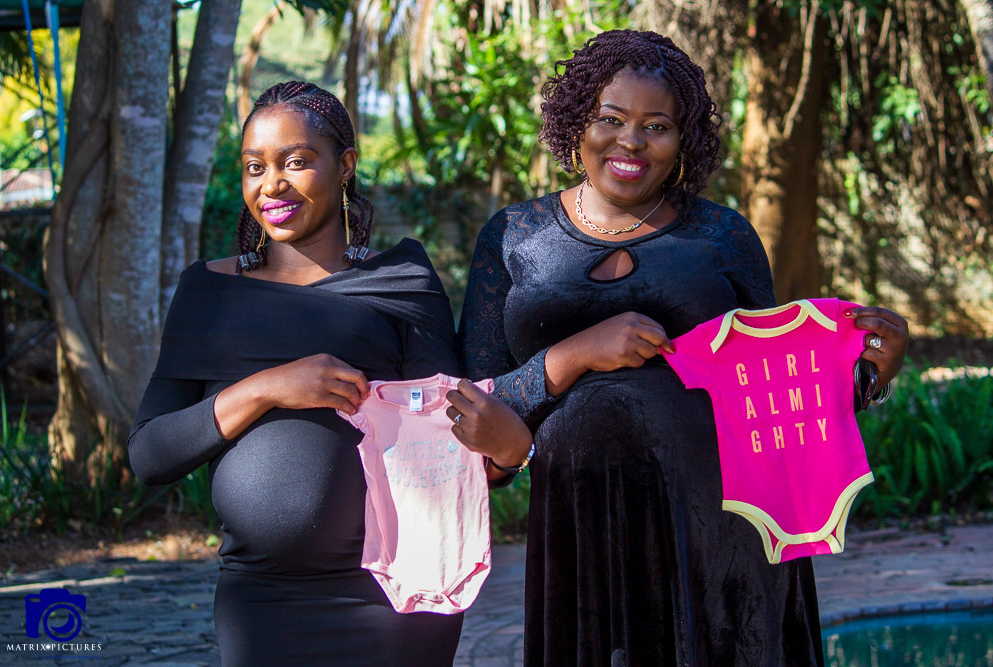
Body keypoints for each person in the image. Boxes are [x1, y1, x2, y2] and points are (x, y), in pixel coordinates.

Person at [457, 30, 909, 666]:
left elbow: (774, 397)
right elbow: (473, 408)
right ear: (576, 122)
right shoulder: (513, 235)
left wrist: (871, 375)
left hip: (722, 530)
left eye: (657, 126)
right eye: (610, 118)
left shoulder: (723, 236)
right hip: (584, 527)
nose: (631, 141)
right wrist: (575, 354)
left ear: (684, 140)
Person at [127, 81, 528, 666]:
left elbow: (447, 441)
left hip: (394, 598)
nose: (271, 184)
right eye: (255, 167)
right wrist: (266, 388)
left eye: (295, 161)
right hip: (261, 603)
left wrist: (511, 457)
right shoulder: (206, 292)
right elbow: (149, 455)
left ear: (345, 165)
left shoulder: (402, 281)